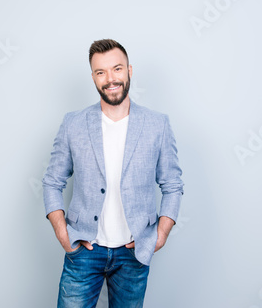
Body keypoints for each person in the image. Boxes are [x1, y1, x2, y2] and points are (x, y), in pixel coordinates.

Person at [43, 39, 184, 307]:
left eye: (117, 69)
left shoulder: (158, 124)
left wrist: (161, 234)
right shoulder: (73, 123)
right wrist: (63, 233)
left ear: (129, 70)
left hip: (134, 252)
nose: (110, 79)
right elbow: (52, 182)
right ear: (94, 77)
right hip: (84, 250)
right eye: (101, 72)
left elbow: (173, 184)